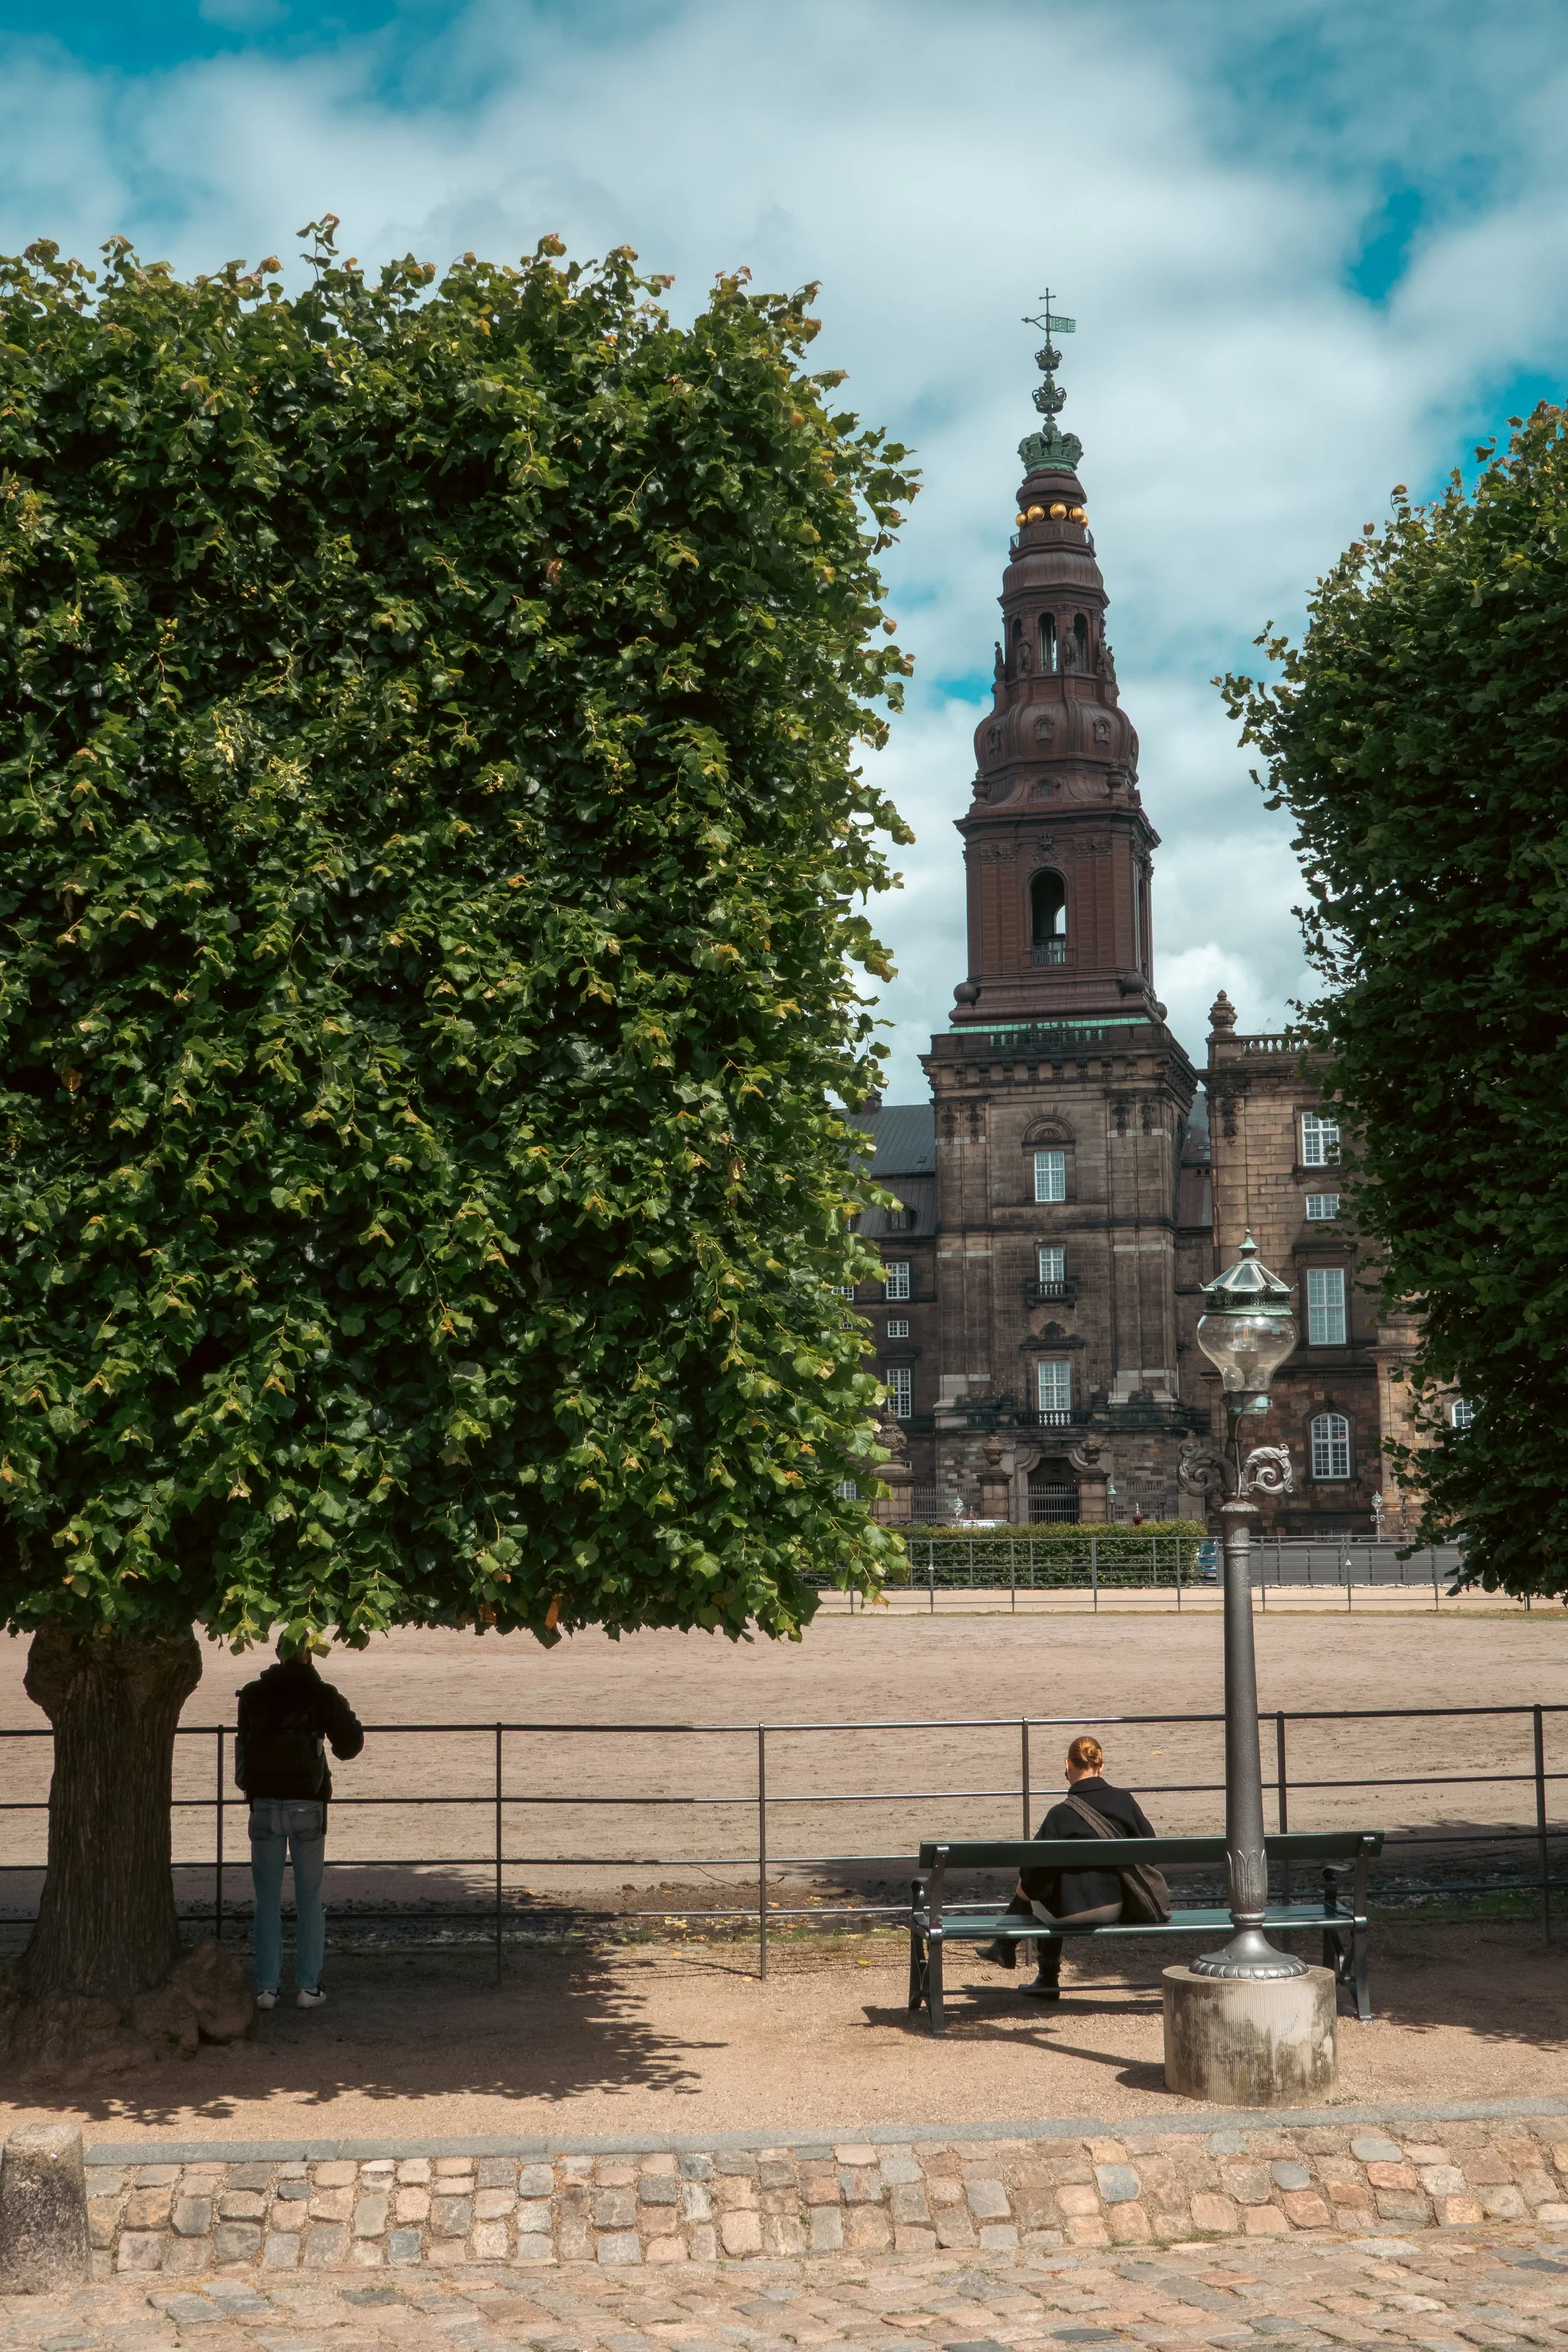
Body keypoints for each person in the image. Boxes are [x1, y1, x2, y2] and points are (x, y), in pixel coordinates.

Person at [235, 1634, 364, 2011]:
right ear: (310, 1655)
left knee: (267, 1901)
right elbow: (350, 1745)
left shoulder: (254, 1694)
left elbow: (243, 1747)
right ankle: (308, 1987)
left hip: (263, 1802)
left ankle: (266, 1988)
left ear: (277, 1654)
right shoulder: (320, 1694)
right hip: (307, 1804)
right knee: (310, 1898)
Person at [977, 1732, 1156, 2000]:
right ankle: (1004, 1947)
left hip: (1070, 1913)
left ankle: (1040, 1973)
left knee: (1036, 1888)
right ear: (1101, 1766)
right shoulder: (1125, 1801)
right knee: (1043, 1886)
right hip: (1116, 1907)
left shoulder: (1059, 1815)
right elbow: (1150, 1851)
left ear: (1068, 1765)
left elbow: (1032, 1876)